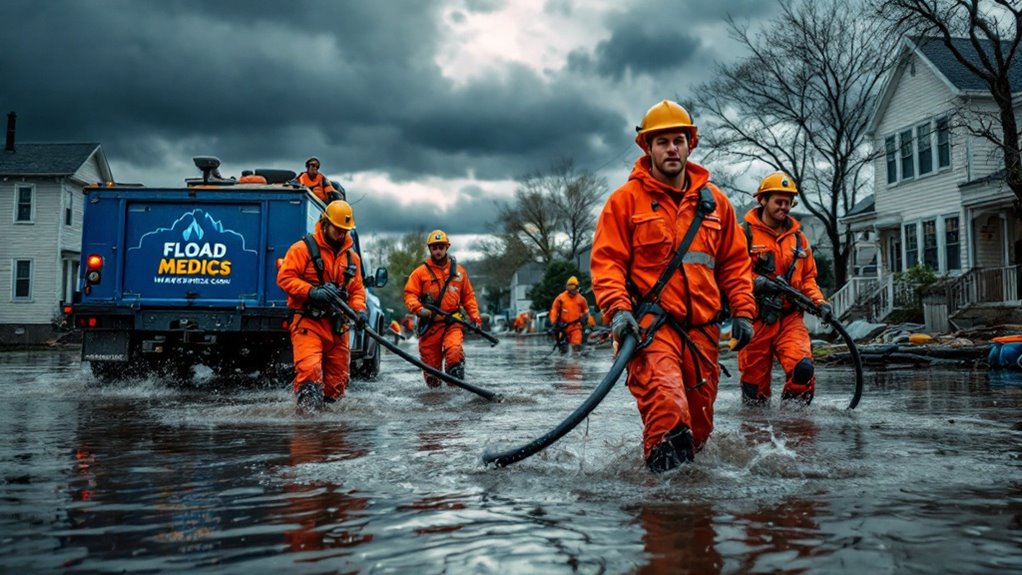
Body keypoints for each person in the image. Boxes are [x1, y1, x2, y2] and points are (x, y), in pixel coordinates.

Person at [590, 99, 756, 473]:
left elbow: (735, 264)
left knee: (698, 431)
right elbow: (607, 263)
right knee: (668, 414)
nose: (671, 149)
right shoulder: (624, 202)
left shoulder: (716, 204)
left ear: (690, 145)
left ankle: (688, 504)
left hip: (703, 335)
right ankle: (663, 505)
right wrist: (618, 310)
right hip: (651, 331)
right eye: (662, 141)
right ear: (647, 147)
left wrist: (744, 311)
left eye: (678, 140)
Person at [737, 171, 831, 407]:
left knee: (803, 369)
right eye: (779, 201)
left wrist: (820, 302)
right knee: (754, 391)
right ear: (763, 200)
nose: (784, 207)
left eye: (788, 202)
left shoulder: (799, 239)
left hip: (790, 318)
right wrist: (757, 282)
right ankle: (758, 428)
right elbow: (731, 273)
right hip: (755, 320)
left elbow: (808, 278)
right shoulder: (743, 234)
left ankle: (794, 422)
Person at [277, 200, 368, 413]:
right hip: (308, 322)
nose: (341, 234)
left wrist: (359, 310)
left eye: (345, 230)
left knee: (337, 382)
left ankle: (329, 427)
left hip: (337, 326)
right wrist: (311, 291)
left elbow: (357, 290)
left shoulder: (352, 258)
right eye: (338, 229)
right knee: (309, 371)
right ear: (325, 223)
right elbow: (285, 278)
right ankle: (307, 423)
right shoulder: (302, 249)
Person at [403, 229, 483, 387]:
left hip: (453, 323)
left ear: (447, 247)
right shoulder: (419, 273)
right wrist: (419, 309)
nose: (438, 251)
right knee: (431, 374)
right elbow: (410, 294)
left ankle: (456, 392)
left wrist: (475, 318)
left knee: (454, 352)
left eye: (441, 247)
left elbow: (468, 297)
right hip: (430, 326)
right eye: (434, 248)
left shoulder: (460, 272)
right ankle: (437, 396)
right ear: (430, 249)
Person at [549, 276, 590, 355]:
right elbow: (554, 310)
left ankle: (575, 358)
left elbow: (586, 311)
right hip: (563, 327)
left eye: (575, 289)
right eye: (572, 289)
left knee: (576, 344)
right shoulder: (560, 298)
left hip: (576, 326)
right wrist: (554, 322)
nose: (574, 291)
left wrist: (585, 318)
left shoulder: (581, 299)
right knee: (562, 347)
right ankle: (564, 355)